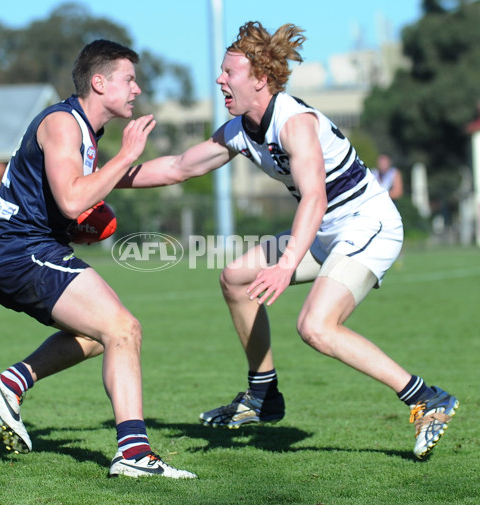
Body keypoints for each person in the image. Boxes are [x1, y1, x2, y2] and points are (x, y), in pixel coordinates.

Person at [118, 22, 458, 459]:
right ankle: (263, 396)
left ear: (260, 78)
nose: (219, 79)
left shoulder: (294, 122)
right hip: (323, 229)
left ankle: (426, 398)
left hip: (366, 223)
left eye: (229, 72)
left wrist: (286, 262)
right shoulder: (241, 129)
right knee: (236, 278)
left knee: (316, 327)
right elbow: (179, 168)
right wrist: (102, 179)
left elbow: (315, 197)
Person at [0, 39, 196, 479]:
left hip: (31, 250)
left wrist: (234, 143)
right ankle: (133, 454)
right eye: (128, 79)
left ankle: (11, 383)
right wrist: (128, 155)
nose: (136, 89)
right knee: (124, 328)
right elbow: (74, 199)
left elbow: (172, 169)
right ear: (99, 82)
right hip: (21, 252)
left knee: (100, 336)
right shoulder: (63, 124)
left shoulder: (86, 134)